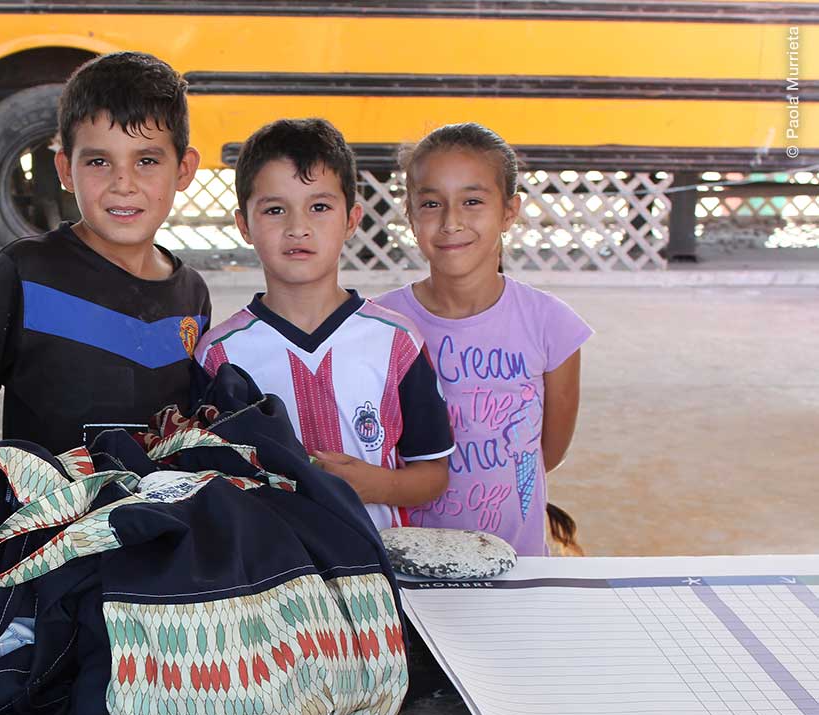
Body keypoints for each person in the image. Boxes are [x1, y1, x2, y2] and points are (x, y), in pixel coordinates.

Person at [0, 51, 210, 455]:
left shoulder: (191, 294)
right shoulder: (22, 275)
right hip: (46, 516)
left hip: (158, 516)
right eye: (99, 161)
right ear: (65, 169)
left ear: (184, 169)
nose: (123, 183)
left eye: (147, 160)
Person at [195, 118, 454, 532]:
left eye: (319, 207)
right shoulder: (219, 354)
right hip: (275, 576)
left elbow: (433, 474)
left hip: (380, 571)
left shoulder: (397, 342)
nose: (298, 227)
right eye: (275, 209)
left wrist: (378, 485)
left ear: (352, 220)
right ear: (244, 224)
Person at [376, 122, 593, 556]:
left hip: (519, 566)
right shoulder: (379, 324)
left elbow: (546, 454)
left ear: (509, 212)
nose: (451, 221)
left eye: (472, 201)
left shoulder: (552, 325)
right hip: (412, 566)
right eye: (432, 203)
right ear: (411, 213)